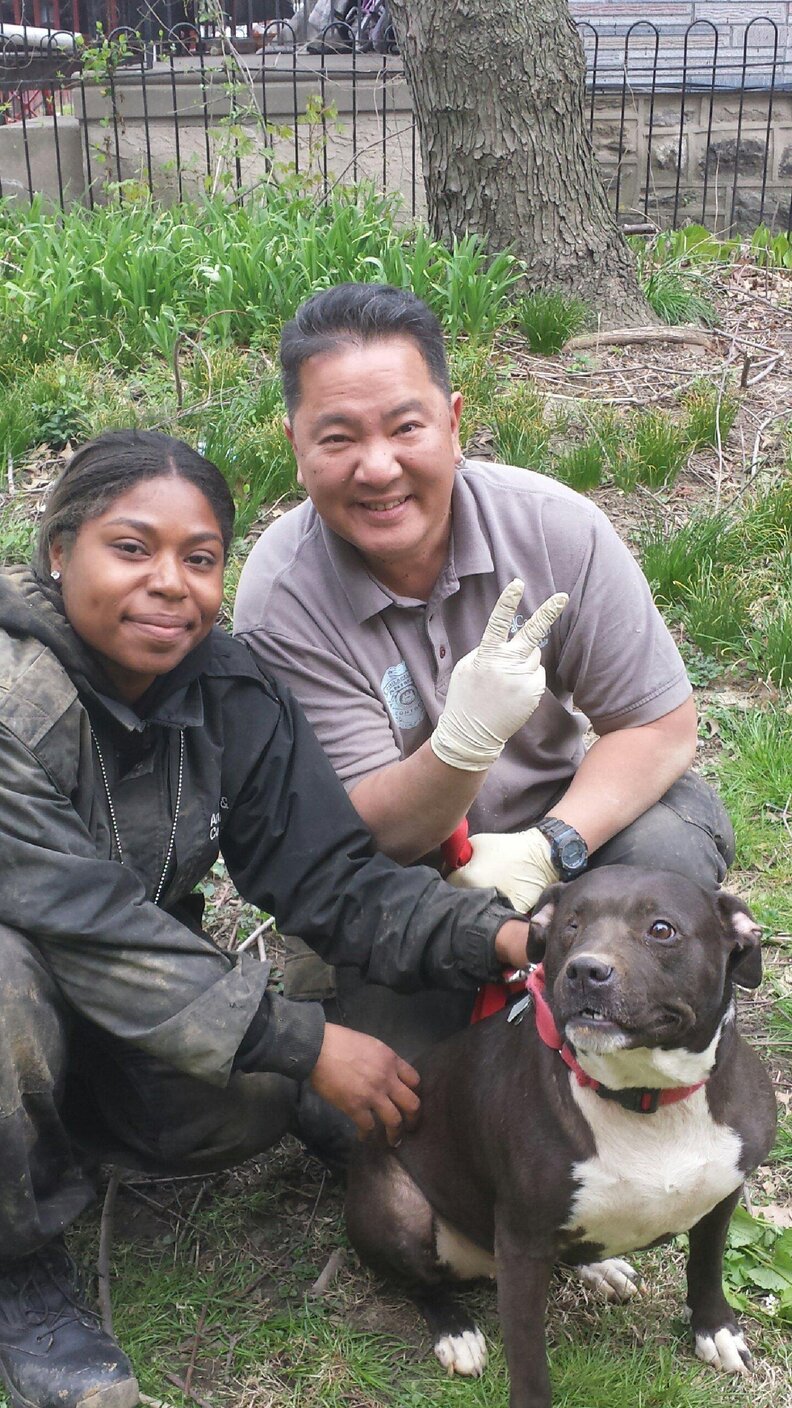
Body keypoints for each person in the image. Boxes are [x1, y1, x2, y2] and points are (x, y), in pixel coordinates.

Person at [0, 428, 551, 1408]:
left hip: (117, 996)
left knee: (247, 1103)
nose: (171, 583)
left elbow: (335, 881)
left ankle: (44, 1135)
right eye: (132, 549)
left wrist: (501, 936)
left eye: (200, 558)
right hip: (35, 971)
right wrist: (302, 1037)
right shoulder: (12, 696)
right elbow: (82, 920)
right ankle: (20, 1266)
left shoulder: (230, 691)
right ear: (58, 550)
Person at [233, 282, 735, 1006]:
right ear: (296, 447)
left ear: (454, 422)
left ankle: (650, 1037)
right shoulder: (282, 597)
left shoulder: (556, 529)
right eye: (338, 438)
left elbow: (659, 727)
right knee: (382, 1108)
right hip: (399, 884)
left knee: (667, 846)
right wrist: (463, 745)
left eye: (406, 427)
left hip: (567, 835)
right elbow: (372, 828)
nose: (377, 468)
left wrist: (548, 846)